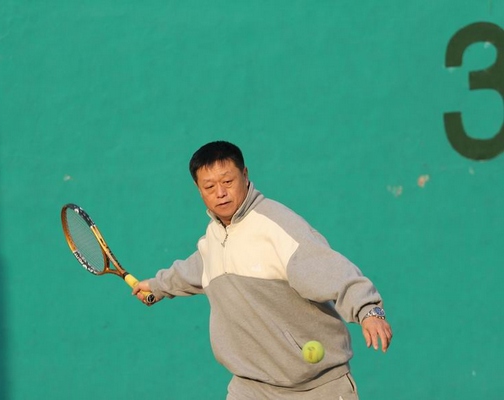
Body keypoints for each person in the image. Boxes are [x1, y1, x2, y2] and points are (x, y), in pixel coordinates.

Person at [133, 141, 392, 399]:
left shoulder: (277, 227)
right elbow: (192, 269)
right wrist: (156, 287)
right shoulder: (213, 240)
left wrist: (369, 310)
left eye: (227, 181)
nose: (220, 193)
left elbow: (332, 271)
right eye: (209, 186)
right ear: (199, 189)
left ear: (245, 175)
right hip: (250, 388)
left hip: (318, 388)